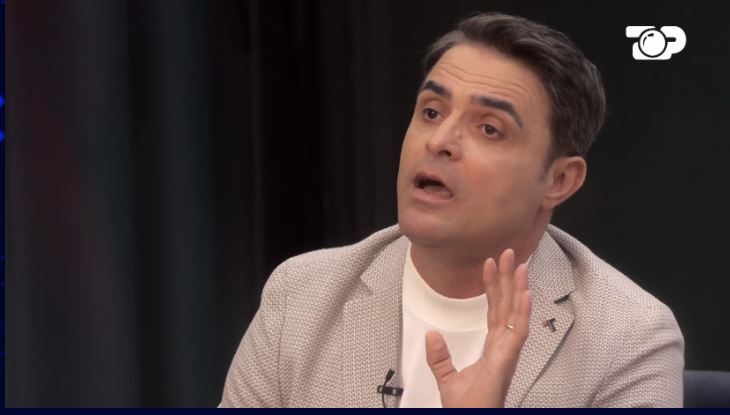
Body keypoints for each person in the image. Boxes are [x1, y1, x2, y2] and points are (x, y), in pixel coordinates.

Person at [219, 12, 684, 408]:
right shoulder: (301, 297)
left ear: (559, 181)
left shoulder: (627, 339)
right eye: (432, 111)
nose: (440, 141)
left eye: (489, 128)